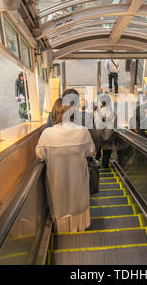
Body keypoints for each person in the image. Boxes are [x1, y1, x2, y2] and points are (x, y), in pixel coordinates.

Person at [35, 98, 95, 232]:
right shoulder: (83, 131)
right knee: (78, 204)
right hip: (78, 183)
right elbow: (91, 151)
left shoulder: (47, 134)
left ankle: (62, 230)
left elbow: (39, 154)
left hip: (57, 185)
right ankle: (80, 227)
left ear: (54, 113)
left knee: (60, 205)